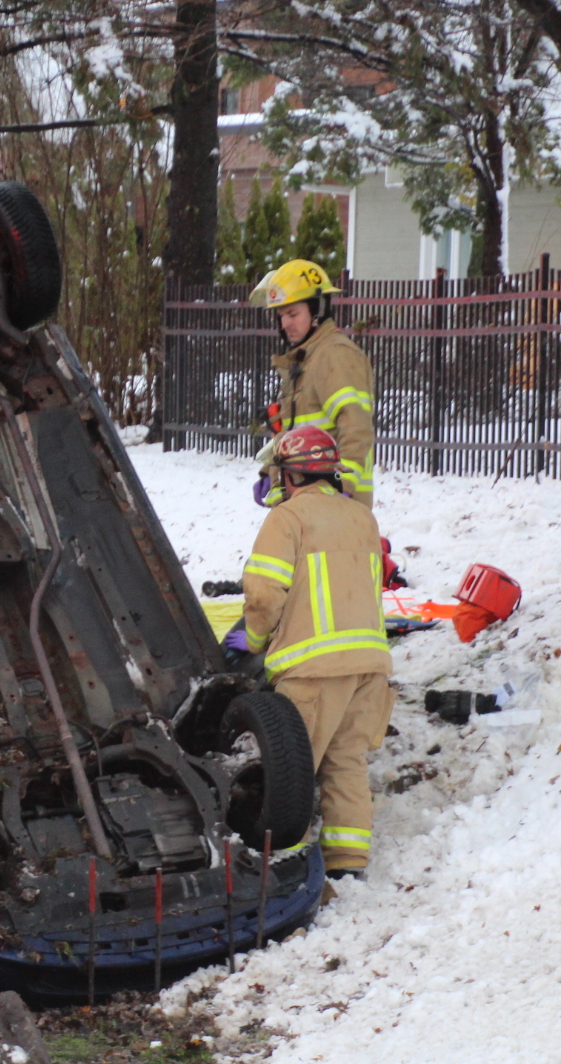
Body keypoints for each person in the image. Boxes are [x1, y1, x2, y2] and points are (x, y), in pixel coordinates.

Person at [240, 424, 393, 880]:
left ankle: (290, 868)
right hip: (369, 665)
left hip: (312, 669)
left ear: (290, 475)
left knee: (293, 772)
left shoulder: (287, 519)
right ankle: (348, 862)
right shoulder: (363, 517)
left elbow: (264, 593)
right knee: (346, 762)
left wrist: (252, 642)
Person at [252, 259, 376, 509]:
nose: (285, 324)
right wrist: (271, 470)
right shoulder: (305, 359)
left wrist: (342, 483)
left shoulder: (335, 355)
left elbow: (356, 426)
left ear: (317, 310)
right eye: (281, 316)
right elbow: (294, 433)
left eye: (293, 314)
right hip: (305, 501)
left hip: (331, 503)